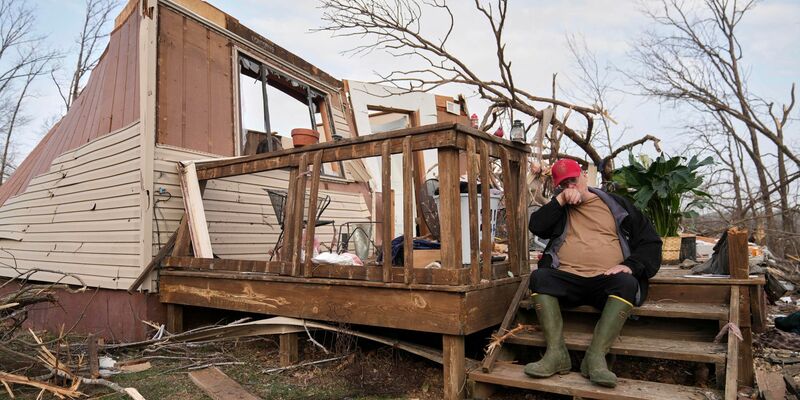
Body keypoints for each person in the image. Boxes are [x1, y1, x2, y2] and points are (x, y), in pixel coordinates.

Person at [524, 158, 662, 388]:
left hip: (605, 281)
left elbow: (651, 242)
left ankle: (596, 357)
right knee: (539, 278)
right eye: (564, 184)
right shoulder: (560, 208)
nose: (570, 187)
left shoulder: (618, 206)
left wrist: (631, 265)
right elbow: (537, 226)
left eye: (573, 180)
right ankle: (556, 354)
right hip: (568, 279)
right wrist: (559, 201)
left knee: (627, 283)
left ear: (585, 177)